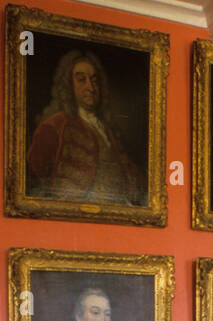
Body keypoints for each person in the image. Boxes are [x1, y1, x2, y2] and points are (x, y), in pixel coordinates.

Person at [26, 49, 142, 205]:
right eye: (82, 80)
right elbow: (37, 173)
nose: (91, 88)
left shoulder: (107, 129)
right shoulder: (55, 125)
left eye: (94, 81)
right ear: (69, 85)